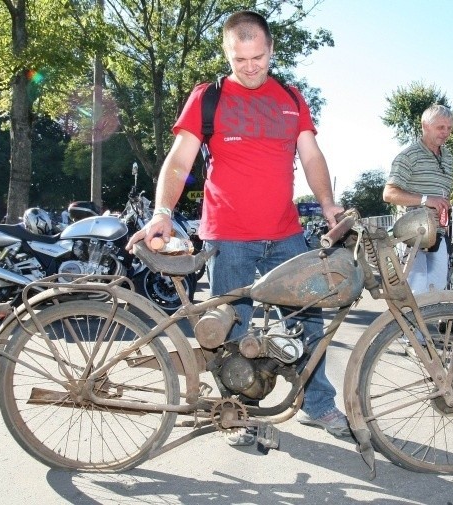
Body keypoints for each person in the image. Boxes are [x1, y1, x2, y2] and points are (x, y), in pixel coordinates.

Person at [126, 11, 346, 445]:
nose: (249, 66)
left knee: (308, 323)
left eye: (258, 57)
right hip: (227, 235)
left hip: (286, 233)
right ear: (227, 53)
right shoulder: (207, 97)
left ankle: (317, 406)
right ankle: (237, 414)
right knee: (230, 330)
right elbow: (179, 159)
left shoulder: (292, 97)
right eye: (239, 58)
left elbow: (312, 156)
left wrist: (328, 203)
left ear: (271, 51)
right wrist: (162, 211)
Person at [383, 104, 453, 293]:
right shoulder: (408, 156)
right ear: (425, 125)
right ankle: (410, 323)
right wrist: (426, 200)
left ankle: (424, 322)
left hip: (437, 234)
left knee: (437, 290)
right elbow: (389, 194)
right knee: (417, 292)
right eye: (441, 127)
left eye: (449, 128)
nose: (446, 133)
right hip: (412, 235)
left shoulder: (448, 157)